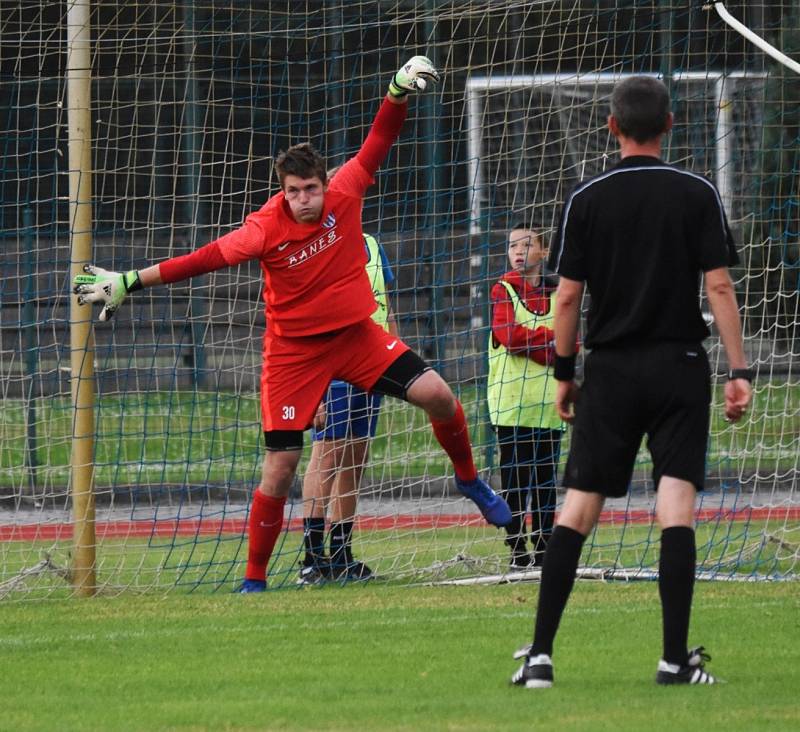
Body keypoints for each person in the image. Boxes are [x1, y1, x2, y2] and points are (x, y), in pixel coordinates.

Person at [73, 55, 512, 593]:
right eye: (293, 192)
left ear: (325, 183)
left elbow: (379, 139)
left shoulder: (346, 192)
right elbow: (204, 258)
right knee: (280, 468)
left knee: (441, 397)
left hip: (357, 338)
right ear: (282, 190)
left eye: (311, 189)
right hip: (293, 356)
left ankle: (469, 480)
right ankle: (255, 579)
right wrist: (131, 281)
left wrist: (396, 91)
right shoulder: (264, 228)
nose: (303, 200)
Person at [511, 76, 752, 688]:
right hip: (679, 367)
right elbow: (719, 286)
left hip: (611, 371)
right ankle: (673, 660)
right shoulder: (696, 192)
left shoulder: (585, 196)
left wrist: (566, 374)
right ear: (669, 125)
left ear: (612, 127)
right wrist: (739, 370)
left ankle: (540, 656)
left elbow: (567, 298)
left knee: (578, 509)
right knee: (676, 508)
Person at [299, 228, 399, 584]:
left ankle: (342, 553)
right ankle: (312, 558)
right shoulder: (317, 247)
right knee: (325, 456)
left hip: (372, 367)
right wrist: (314, 385)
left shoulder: (374, 243)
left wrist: (397, 360)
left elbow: (386, 308)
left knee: (354, 461)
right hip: (336, 367)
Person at [487, 224, 564, 571]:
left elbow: (572, 342)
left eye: (526, 244)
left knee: (546, 481)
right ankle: (517, 548)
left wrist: (550, 344)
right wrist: (550, 344)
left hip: (549, 409)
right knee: (516, 481)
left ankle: (546, 546)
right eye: (512, 245)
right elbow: (510, 336)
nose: (518, 251)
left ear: (544, 252)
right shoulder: (502, 290)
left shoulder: (559, 293)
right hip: (511, 407)